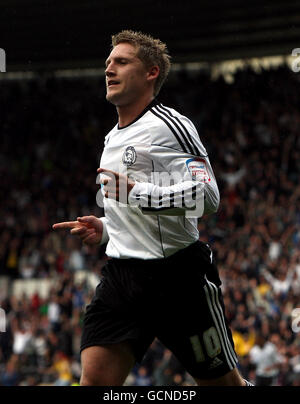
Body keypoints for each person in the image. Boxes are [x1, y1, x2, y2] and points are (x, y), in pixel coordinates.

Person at [52, 30, 252, 386]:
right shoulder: (112, 137)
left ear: (151, 72)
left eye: (122, 62)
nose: (109, 69)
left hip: (177, 279)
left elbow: (208, 197)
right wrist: (106, 228)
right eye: (108, 63)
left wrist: (138, 193)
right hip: (122, 278)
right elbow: (131, 211)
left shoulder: (170, 125)